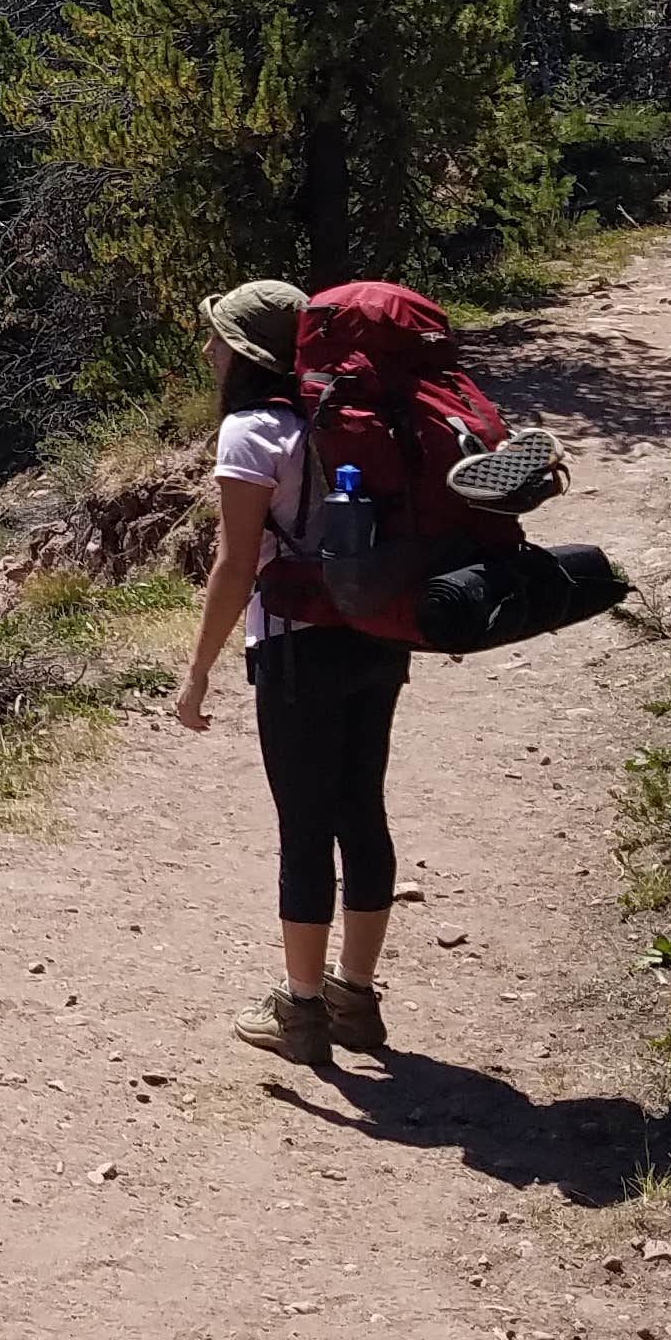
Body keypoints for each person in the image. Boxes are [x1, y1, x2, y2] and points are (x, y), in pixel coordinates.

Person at [171, 275, 406, 1071]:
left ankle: (300, 1013)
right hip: (376, 635)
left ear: (245, 355)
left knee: (304, 829)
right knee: (361, 810)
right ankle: (357, 999)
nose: (206, 349)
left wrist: (197, 672)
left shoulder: (248, 434)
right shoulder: (357, 418)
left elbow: (236, 568)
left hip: (297, 648)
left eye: (216, 337)